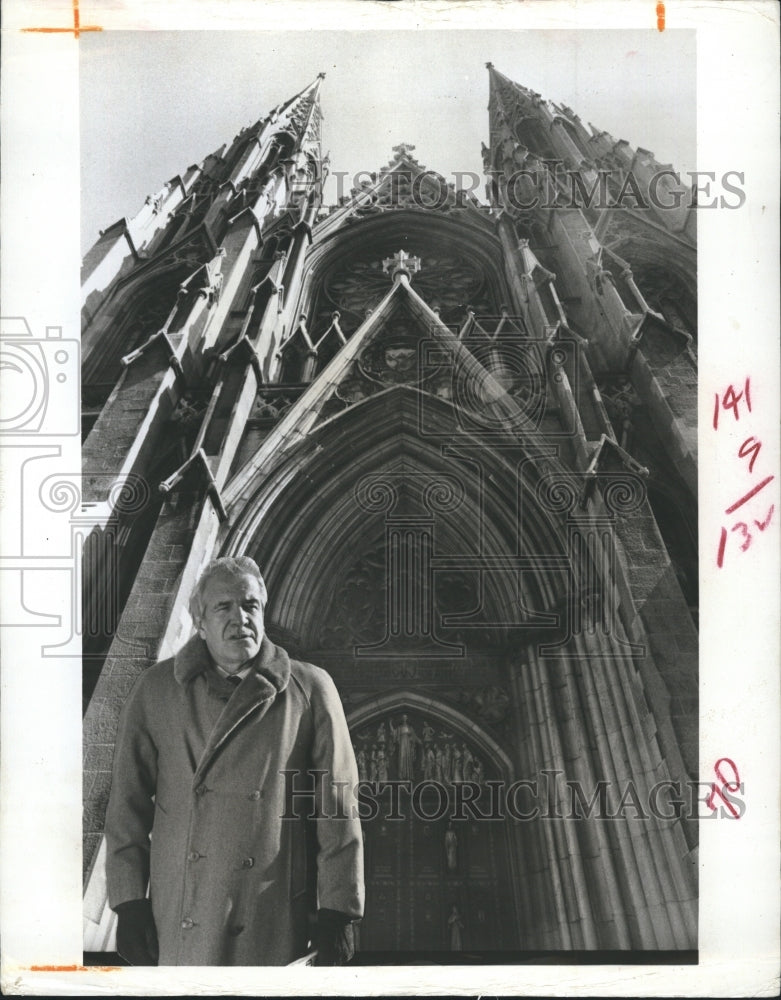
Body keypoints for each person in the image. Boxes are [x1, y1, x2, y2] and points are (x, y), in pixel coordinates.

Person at [104, 556, 364, 966]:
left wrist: (339, 911)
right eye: (223, 607)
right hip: (181, 910)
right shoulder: (154, 690)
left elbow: (338, 808)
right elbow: (126, 807)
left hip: (273, 914)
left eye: (250, 606)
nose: (240, 617)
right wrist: (128, 901)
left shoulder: (311, 689)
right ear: (200, 622)